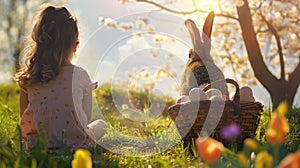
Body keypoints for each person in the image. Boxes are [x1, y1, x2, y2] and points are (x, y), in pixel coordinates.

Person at [14, 3, 107, 150]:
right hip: (76, 145)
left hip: (37, 146)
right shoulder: (80, 75)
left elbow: (23, 116)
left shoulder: (30, 77)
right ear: (75, 46)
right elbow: (85, 118)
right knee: (102, 124)